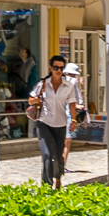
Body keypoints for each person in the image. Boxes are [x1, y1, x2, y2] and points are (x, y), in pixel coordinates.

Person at [28, 55, 83, 191]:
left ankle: (58, 179)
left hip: (60, 124)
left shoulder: (68, 86)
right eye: (56, 67)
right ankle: (46, 186)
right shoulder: (42, 83)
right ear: (51, 68)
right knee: (47, 154)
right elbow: (30, 99)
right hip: (44, 122)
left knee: (58, 156)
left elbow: (72, 103)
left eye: (61, 68)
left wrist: (74, 120)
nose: (59, 70)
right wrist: (34, 100)